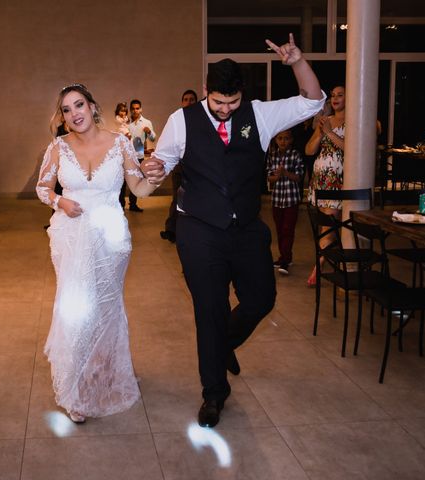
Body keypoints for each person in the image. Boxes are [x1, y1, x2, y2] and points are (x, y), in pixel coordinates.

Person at [144, 34, 324, 428]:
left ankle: (222, 345)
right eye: (219, 102)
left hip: (245, 229)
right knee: (209, 311)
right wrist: (153, 167)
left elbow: (313, 100)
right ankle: (213, 394)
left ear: (242, 94)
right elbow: (162, 160)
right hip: (199, 229)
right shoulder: (182, 120)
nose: (225, 111)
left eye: (233, 103)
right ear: (207, 89)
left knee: (261, 299)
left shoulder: (259, 115)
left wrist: (297, 62)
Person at [36, 83, 162, 424]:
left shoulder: (120, 142)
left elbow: (137, 187)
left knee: (107, 305)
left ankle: (108, 370)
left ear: (92, 106)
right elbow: (42, 188)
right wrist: (59, 200)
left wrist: (158, 179)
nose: (74, 113)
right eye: (67, 109)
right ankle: (76, 387)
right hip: (70, 235)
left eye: (79, 105)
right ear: (62, 117)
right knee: (77, 308)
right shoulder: (58, 147)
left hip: (110, 235)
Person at [305, 85, 346, 287]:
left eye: (340, 95)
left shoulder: (353, 121)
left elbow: (350, 148)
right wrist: (321, 133)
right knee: (324, 224)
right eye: (333, 95)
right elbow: (309, 150)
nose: (335, 98)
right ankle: (327, 258)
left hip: (337, 180)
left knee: (329, 224)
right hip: (320, 179)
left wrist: (329, 133)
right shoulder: (326, 121)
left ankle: (319, 264)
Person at [160, 89, 198, 243]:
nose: (188, 102)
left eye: (192, 99)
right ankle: (171, 230)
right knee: (177, 198)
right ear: (182, 102)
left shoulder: (201, 121)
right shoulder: (177, 121)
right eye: (186, 99)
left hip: (196, 168)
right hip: (179, 167)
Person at [266, 129, 304, 275]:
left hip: (291, 199)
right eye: (280, 138)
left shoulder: (295, 155)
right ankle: (284, 257)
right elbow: (269, 178)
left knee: (288, 230)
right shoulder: (272, 155)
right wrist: (276, 176)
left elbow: (299, 177)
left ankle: (285, 260)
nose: (283, 141)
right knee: (280, 230)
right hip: (277, 199)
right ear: (275, 140)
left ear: (291, 140)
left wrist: (285, 173)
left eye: (286, 138)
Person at [119, 98, 156, 212]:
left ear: (141, 109)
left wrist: (149, 132)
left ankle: (133, 205)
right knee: (123, 182)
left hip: (139, 156)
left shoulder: (146, 123)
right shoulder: (126, 124)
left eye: (137, 108)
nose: (135, 111)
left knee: (136, 182)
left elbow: (153, 138)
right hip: (126, 156)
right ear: (130, 110)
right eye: (133, 109)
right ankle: (121, 205)